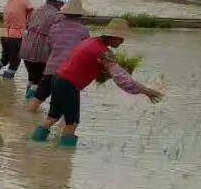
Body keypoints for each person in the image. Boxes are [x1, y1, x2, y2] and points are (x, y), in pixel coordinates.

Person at [31, 21, 162, 146]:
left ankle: (34, 144)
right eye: (120, 39)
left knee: (52, 117)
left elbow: (94, 70)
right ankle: (65, 159)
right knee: (72, 122)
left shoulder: (90, 42)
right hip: (69, 84)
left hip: (57, 79)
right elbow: (122, 80)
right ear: (112, 37)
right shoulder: (104, 52)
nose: (122, 42)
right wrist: (147, 91)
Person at [26, 0, 89, 113]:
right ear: (80, 15)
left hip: (51, 70)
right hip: (69, 72)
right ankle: (63, 130)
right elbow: (85, 51)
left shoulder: (54, 28)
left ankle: (27, 121)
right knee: (69, 109)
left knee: (37, 100)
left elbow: (49, 48)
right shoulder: (83, 30)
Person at [19, 0, 68, 95]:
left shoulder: (36, 10)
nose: (63, 5)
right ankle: (28, 107)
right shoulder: (58, 16)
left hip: (26, 49)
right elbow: (57, 36)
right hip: (41, 51)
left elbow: (27, 26)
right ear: (58, 2)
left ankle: (26, 103)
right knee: (39, 81)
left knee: (31, 78)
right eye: (62, 2)